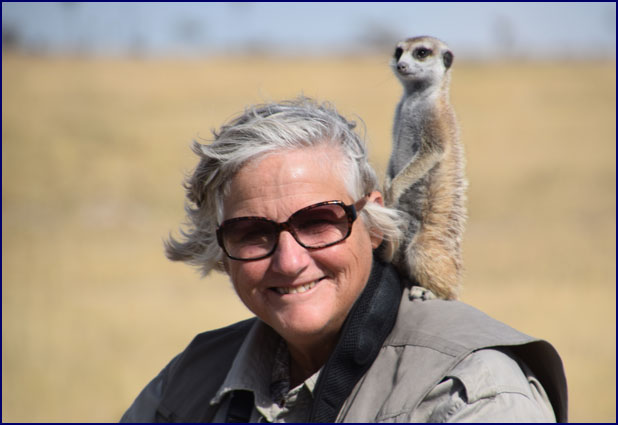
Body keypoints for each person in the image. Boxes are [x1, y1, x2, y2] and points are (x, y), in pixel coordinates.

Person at [120, 97, 567, 422]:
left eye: (319, 222)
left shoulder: (468, 391)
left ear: (372, 223)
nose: (290, 261)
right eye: (253, 232)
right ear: (221, 248)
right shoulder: (190, 381)